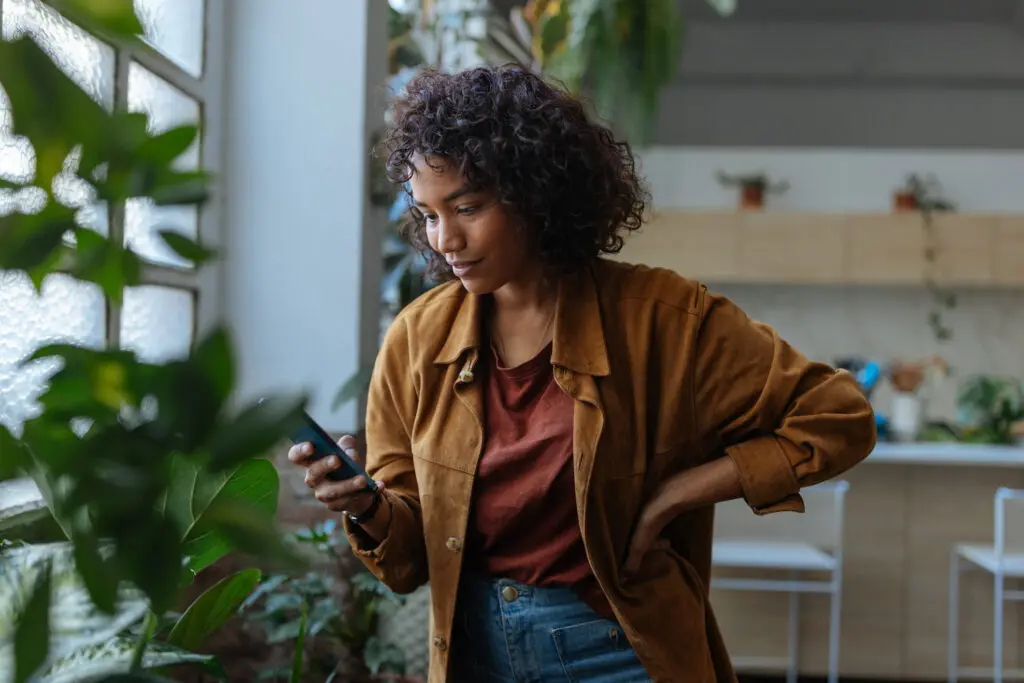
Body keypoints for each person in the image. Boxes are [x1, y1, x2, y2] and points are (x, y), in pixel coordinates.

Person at [288, 65, 876, 683]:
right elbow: (406, 563)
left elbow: (840, 415)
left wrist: (681, 491)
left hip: (618, 651)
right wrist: (367, 508)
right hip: (470, 652)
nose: (446, 240)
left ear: (536, 192)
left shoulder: (666, 320)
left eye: (467, 207)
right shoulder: (416, 339)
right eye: (429, 215)